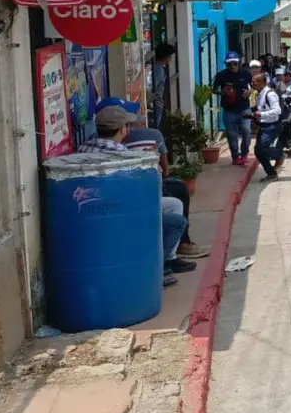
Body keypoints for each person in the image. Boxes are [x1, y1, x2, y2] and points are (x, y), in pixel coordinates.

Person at [78, 105, 194, 287]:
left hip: (93, 210)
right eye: (127, 125)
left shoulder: (84, 148)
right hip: (123, 211)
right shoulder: (124, 155)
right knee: (176, 220)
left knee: (174, 204)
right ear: (122, 129)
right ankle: (155, 268)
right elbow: (148, 186)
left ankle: (168, 260)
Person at [113, 99, 210, 260]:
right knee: (178, 191)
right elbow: (164, 169)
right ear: (123, 126)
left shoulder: (98, 145)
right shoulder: (125, 145)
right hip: (137, 196)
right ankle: (177, 249)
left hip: (126, 196)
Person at [213, 52, 253, 166]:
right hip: (229, 110)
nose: (232, 66)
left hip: (245, 109)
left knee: (247, 131)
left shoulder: (245, 73)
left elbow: (253, 86)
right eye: (229, 64)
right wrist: (223, 92)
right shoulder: (221, 75)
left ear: (238, 63)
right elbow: (214, 90)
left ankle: (244, 154)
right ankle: (235, 156)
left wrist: (249, 91)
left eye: (235, 64)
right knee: (232, 135)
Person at [252, 73, 285, 182]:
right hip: (263, 125)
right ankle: (271, 173)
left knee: (261, 149)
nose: (253, 83)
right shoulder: (259, 94)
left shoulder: (270, 94)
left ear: (262, 82)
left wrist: (261, 115)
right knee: (258, 151)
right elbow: (262, 109)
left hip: (272, 126)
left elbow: (277, 111)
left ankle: (279, 155)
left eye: (255, 81)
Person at [150, 44, 176, 130]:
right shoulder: (159, 69)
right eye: (170, 56)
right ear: (166, 57)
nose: (171, 59)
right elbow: (153, 87)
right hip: (156, 104)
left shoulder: (158, 67)